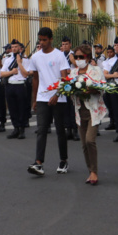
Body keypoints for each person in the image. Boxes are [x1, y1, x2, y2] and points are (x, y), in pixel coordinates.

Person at [28, 27, 71, 176]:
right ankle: (38, 163)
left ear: (51, 39)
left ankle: (63, 161)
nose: (42, 42)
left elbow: (65, 78)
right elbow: (35, 78)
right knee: (41, 130)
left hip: (58, 99)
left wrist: (57, 95)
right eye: (40, 40)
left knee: (60, 131)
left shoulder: (59, 56)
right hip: (42, 98)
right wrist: (34, 99)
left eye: (44, 40)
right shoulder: (35, 57)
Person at [71, 44, 107, 185]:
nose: (79, 59)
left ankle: (94, 172)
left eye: (81, 56)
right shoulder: (73, 73)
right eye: (76, 57)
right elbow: (68, 89)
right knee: (84, 144)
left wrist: (90, 90)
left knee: (89, 140)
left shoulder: (96, 70)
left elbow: (102, 87)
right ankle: (90, 171)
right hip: (80, 110)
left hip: (94, 110)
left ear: (87, 57)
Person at [2, 40, 33, 139]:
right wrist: (11, 72)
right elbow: (2, 73)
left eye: (16, 47)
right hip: (10, 86)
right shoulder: (7, 60)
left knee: (21, 108)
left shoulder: (26, 60)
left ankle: (22, 129)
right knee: (12, 108)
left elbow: (26, 74)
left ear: (20, 48)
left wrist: (19, 63)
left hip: (20, 86)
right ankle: (15, 128)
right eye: (13, 47)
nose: (14, 48)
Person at [59, 37, 80, 142]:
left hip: (73, 83)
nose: (64, 46)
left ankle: (75, 130)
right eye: (63, 44)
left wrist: (73, 61)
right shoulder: (60, 55)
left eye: (66, 44)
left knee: (73, 108)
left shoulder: (74, 54)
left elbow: (81, 67)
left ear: (70, 44)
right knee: (65, 108)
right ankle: (68, 130)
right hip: (64, 83)